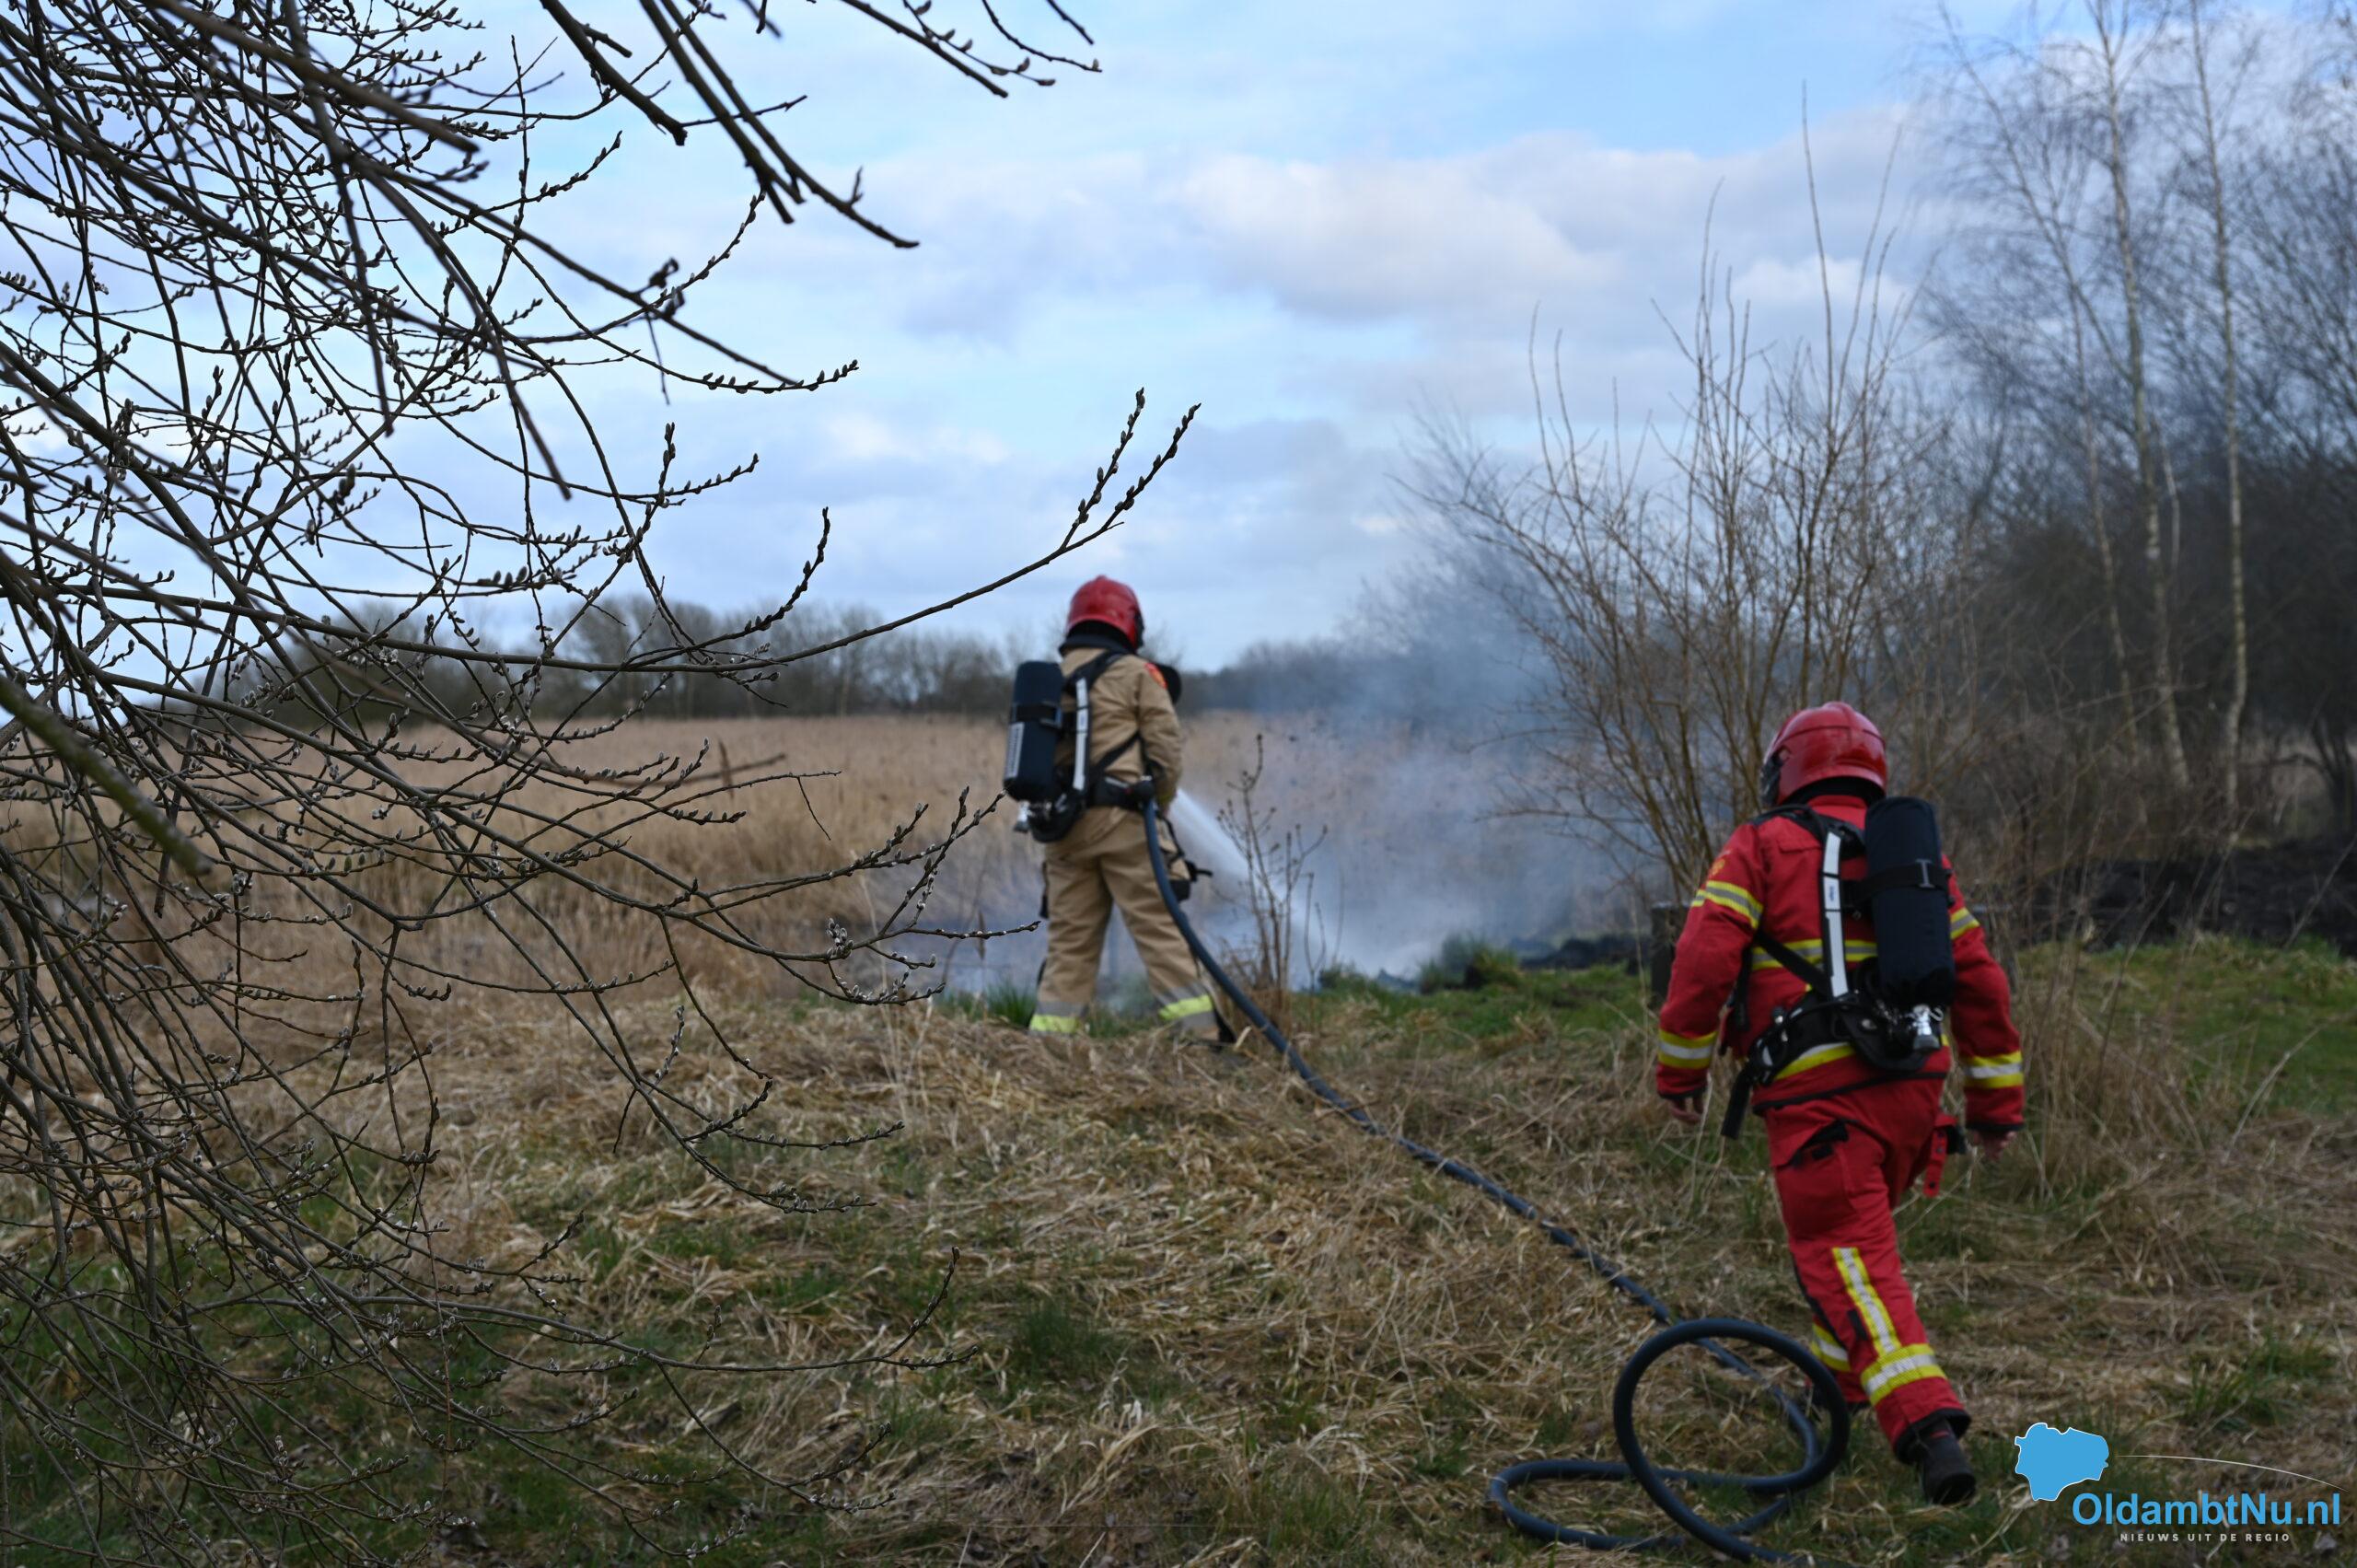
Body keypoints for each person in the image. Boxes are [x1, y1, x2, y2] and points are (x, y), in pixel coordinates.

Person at [1654, 703, 2025, 1506]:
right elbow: (1981, 981)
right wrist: (1995, 1104)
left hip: (1823, 1105)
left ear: (1786, 770)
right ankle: (1840, 1398)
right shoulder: (1916, 860)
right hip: (1914, 1098)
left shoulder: (1762, 844)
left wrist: (1679, 1071)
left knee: (1845, 1255)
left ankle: (1930, 1430)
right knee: (1847, 1256)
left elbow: (1704, 954)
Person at [1026, 576, 1221, 1042]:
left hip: (1063, 833)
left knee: (1070, 945)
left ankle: (1048, 1045)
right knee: (1159, 933)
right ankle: (1201, 1041)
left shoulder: (1050, 680)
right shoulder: (1137, 674)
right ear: (1130, 623)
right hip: (1125, 827)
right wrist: (1162, 803)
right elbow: (1166, 753)